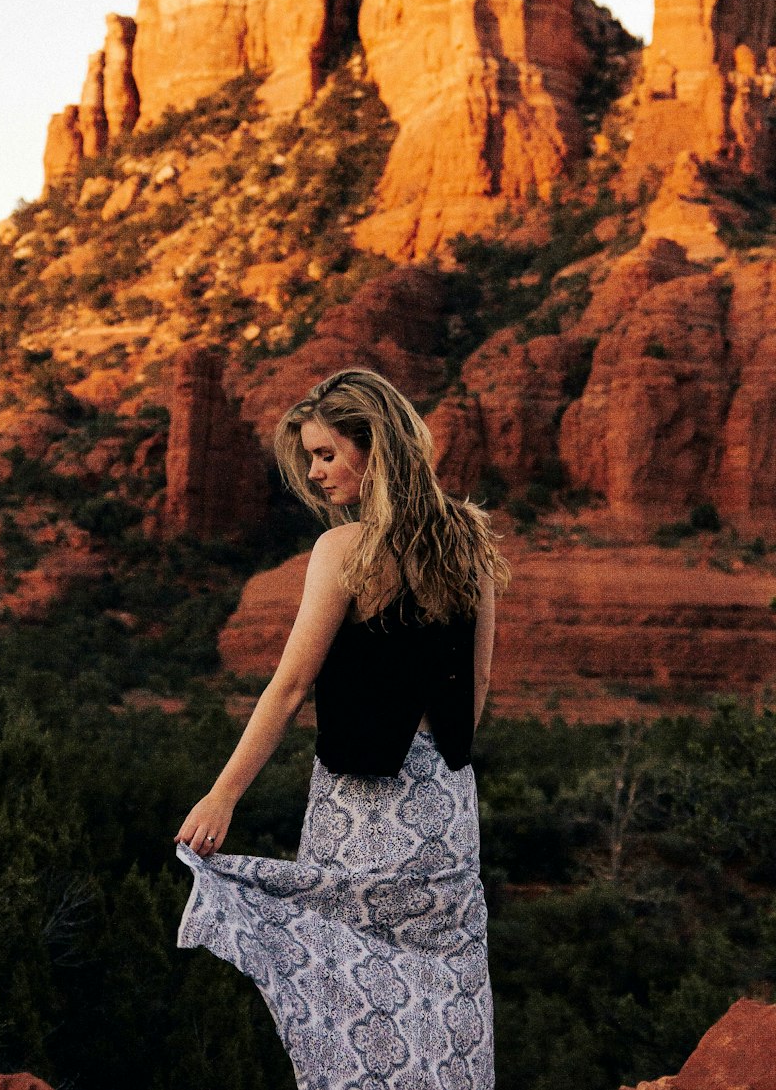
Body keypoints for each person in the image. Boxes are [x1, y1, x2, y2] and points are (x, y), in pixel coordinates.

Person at [174, 367, 508, 1090]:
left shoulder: (343, 551)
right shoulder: (471, 542)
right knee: (442, 986)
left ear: (376, 445)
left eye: (327, 453)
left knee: (347, 980)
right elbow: (475, 689)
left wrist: (223, 794)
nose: (317, 472)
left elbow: (291, 686)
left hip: (359, 802)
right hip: (445, 806)